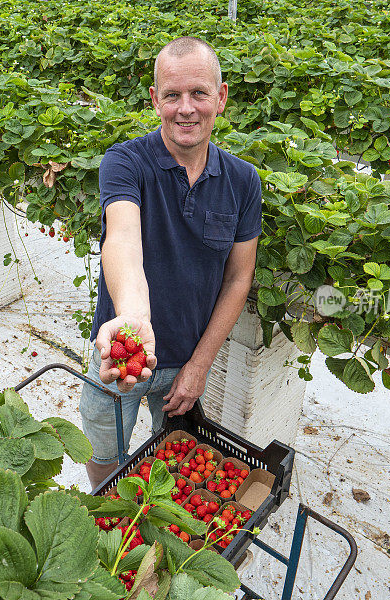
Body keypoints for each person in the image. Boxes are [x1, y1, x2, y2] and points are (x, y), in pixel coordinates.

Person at [79, 36, 262, 490]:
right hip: (121, 354)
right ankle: (109, 511)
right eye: (172, 95)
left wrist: (199, 366)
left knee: (172, 458)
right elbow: (122, 238)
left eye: (198, 93)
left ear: (220, 98)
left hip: (186, 361)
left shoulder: (242, 180)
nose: (186, 108)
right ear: (154, 100)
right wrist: (134, 318)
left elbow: (239, 278)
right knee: (105, 452)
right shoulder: (126, 162)